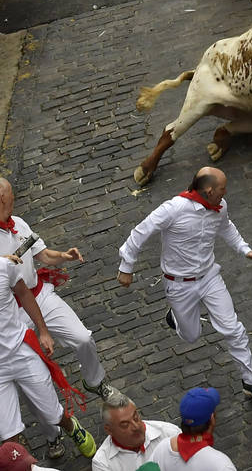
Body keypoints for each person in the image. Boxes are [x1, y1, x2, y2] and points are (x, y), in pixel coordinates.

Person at [116, 167, 252, 402]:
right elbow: (141, 232)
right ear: (209, 190)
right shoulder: (174, 209)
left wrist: (245, 250)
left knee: (233, 329)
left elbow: (226, 227)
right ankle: (176, 317)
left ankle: (250, 381)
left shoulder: (220, 206)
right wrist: (126, 267)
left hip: (210, 277)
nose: (226, 192)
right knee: (191, 336)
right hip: (179, 285)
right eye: (222, 188)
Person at [0, 179, 121, 405]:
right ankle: (50, 422)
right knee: (28, 372)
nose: (14, 201)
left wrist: (64, 256)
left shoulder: (18, 223)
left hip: (39, 295)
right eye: (10, 197)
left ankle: (95, 382)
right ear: (1, 200)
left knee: (83, 338)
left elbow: (43, 255)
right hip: (12, 313)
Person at [0, 256, 95, 459]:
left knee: (52, 414)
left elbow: (25, 294)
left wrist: (43, 330)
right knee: (9, 435)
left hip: (21, 352)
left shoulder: (4, 267)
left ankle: (71, 426)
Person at [92, 394, 179, 471]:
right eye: (125, 424)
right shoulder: (102, 464)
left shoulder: (170, 434)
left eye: (135, 417)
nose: (136, 427)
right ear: (109, 430)